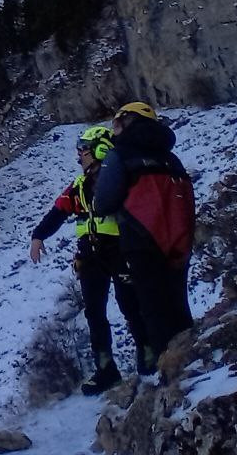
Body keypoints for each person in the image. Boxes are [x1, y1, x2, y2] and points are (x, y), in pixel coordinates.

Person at [30, 125, 147, 395]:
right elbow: (58, 211)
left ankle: (148, 354)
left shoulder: (122, 178)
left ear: (101, 149)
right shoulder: (80, 186)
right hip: (91, 255)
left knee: (131, 305)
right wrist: (38, 236)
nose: (79, 154)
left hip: (119, 250)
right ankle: (105, 369)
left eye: (84, 148)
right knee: (95, 313)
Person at [93, 102, 196, 377]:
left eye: (117, 122)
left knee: (153, 310)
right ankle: (196, 361)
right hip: (179, 239)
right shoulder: (170, 158)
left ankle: (171, 375)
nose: (114, 128)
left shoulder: (120, 155)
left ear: (129, 121)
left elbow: (103, 202)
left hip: (141, 240)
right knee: (178, 305)